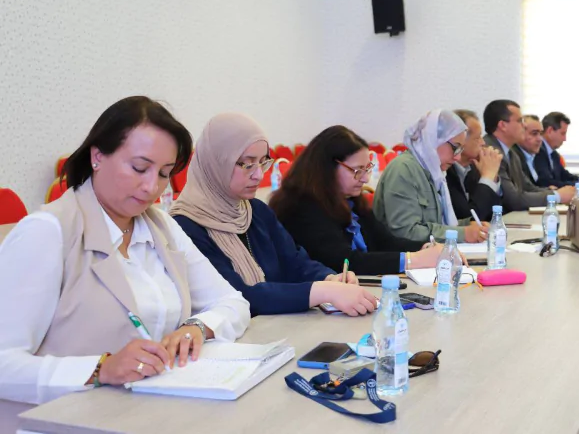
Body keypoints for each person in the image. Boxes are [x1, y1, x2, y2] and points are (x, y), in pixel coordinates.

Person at [0, 97, 250, 413]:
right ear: (98, 156)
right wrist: (100, 368)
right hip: (67, 419)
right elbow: (4, 363)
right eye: (139, 168)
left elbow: (232, 303)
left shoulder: (162, 226)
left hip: (152, 412)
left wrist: (196, 328)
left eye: (164, 173)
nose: (152, 187)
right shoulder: (49, 232)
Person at [171, 113, 378, 317]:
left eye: (263, 162)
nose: (259, 175)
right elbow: (238, 296)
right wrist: (322, 292)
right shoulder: (186, 225)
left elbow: (296, 263)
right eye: (247, 164)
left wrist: (330, 279)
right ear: (217, 163)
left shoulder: (255, 211)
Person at [271, 125, 453, 275]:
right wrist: (412, 260)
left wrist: (425, 248)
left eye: (367, 169)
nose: (365, 178)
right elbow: (344, 262)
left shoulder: (350, 200)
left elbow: (386, 242)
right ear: (327, 168)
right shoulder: (302, 207)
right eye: (358, 170)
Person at [373, 109, 489, 243]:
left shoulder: (433, 171)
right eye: (455, 148)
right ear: (433, 139)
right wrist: (462, 233)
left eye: (461, 149)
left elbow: (436, 224)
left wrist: (468, 225)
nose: (457, 157)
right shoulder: (404, 169)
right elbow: (406, 231)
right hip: (404, 254)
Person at [482, 100, 571, 210]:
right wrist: (557, 196)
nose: (524, 125)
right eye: (520, 121)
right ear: (503, 125)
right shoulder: (491, 152)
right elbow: (513, 200)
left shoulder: (511, 153)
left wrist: (556, 192)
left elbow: (528, 187)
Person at [445, 109, 503, 221]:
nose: (483, 142)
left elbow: (496, 214)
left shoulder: (474, 167)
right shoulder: (445, 170)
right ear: (460, 139)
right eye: (477, 138)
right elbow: (470, 219)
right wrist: (487, 178)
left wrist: (493, 178)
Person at [534, 112, 579, 190]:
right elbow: (547, 183)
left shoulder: (553, 154)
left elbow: (565, 175)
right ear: (550, 131)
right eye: (563, 133)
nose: (565, 139)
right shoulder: (537, 151)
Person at [513, 114, 545, 186]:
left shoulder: (540, 154)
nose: (540, 139)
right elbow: (523, 189)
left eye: (541, 134)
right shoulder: (513, 156)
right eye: (534, 133)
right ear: (520, 133)